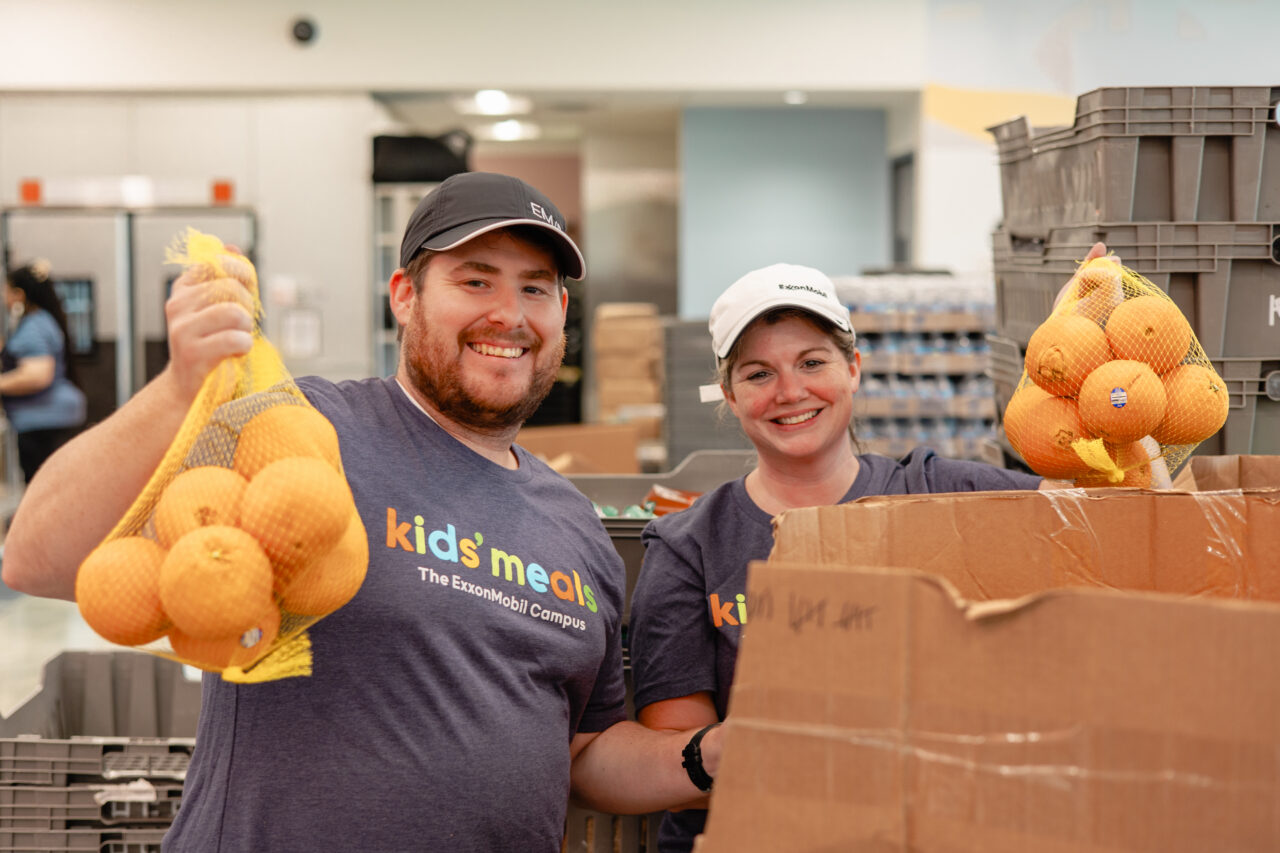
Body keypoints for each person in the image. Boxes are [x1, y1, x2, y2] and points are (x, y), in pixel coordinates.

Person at [1, 172, 720, 852]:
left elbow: (585, 751)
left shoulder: (576, 527)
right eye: (475, 280)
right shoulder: (299, 431)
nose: (509, 313)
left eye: (536, 288)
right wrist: (177, 387)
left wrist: (706, 756)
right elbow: (38, 556)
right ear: (404, 294)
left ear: (561, 314)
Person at [626, 253, 1106, 852]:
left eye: (812, 362)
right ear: (727, 394)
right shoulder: (690, 545)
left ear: (853, 368)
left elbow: (1103, 516)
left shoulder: (939, 490)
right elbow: (678, 765)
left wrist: (1086, 350)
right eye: (758, 374)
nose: (791, 391)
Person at [0, 260, 87, 484]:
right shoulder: (42, 322)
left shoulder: (34, 326)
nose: (4, 297)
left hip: (43, 420)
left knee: (44, 487)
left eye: (6, 291)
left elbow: (38, 375)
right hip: (51, 417)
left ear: (19, 295)